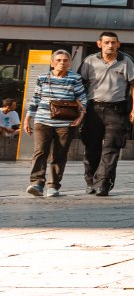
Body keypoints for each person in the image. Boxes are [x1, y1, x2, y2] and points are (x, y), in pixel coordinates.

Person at [78, 31, 134, 196]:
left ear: (118, 44)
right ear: (99, 44)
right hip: (93, 109)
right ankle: (90, 181)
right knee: (91, 147)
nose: (110, 45)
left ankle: (103, 183)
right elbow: (79, 85)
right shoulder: (89, 61)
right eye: (106, 42)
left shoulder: (126, 61)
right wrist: (79, 108)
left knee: (111, 147)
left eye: (113, 42)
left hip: (117, 109)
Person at [23, 50, 87, 197]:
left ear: (70, 63)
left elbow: (82, 98)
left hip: (65, 123)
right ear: (52, 63)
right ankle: (37, 184)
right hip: (42, 120)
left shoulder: (75, 78)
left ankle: (53, 186)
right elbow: (35, 99)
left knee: (60, 153)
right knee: (40, 152)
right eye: (58, 60)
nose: (62, 63)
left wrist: (80, 117)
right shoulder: (42, 78)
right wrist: (28, 119)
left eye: (65, 60)